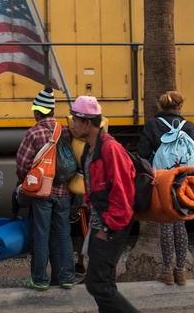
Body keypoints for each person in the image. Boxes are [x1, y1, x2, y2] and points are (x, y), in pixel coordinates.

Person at [69, 96, 139, 313]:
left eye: (75, 120)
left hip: (111, 226)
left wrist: (106, 228)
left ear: (88, 123)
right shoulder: (88, 150)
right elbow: (91, 189)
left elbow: (123, 192)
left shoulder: (110, 149)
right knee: (104, 283)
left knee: (96, 283)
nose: (72, 125)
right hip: (100, 224)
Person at [137, 91, 194, 285]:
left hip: (163, 178)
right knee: (180, 222)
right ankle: (180, 271)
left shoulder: (152, 125)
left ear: (161, 106)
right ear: (180, 106)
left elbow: (143, 154)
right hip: (183, 179)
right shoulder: (189, 126)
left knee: (166, 222)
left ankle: (167, 270)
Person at [16, 87, 75, 290]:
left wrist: (24, 183)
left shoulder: (33, 133)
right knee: (63, 235)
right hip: (64, 192)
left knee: (41, 234)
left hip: (42, 191)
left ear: (37, 112)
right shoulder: (65, 130)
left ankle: (39, 280)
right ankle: (66, 277)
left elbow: (22, 164)